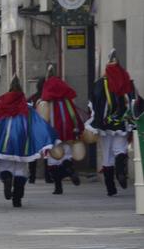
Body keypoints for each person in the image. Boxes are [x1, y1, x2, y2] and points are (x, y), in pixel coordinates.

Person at [0, 77, 58, 207]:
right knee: (21, 169)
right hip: (21, 143)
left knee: (4, 166)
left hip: (3, 144)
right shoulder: (28, 109)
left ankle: (6, 179)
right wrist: (49, 136)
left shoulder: (0, 107)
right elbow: (38, 124)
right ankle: (17, 198)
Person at [87, 50, 144, 196]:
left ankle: (110, 188)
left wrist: (95, 120)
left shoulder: (99, 84)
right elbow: (135, 100)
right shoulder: (127, 81)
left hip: (105, 125)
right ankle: (121, 171)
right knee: (120, 149)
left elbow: (93, 104)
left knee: (107, 155)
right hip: (122, 123)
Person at [39, 73, 86, 195]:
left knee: (54, 161)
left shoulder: (47, 103)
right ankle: (69, 170)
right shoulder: (68, 101)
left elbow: (43, 119)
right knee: (67, 156)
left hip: (54, 134)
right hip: (69, 131)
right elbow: (75, 115)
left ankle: (58, 186)